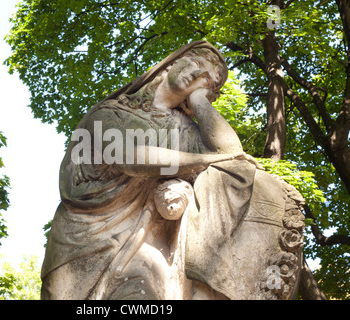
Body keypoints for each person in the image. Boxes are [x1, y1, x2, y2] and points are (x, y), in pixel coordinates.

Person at [40, 41, 269, 300]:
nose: (197, 75)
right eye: (195, 63)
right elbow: (130, 158)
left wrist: (200, 102)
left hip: (146, 243)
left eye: (207, 80)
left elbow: (233, 159)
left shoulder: (185, 131)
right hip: (81, 241)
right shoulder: (110, 112)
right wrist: (204, 159)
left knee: (144, 290)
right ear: (172, 63)